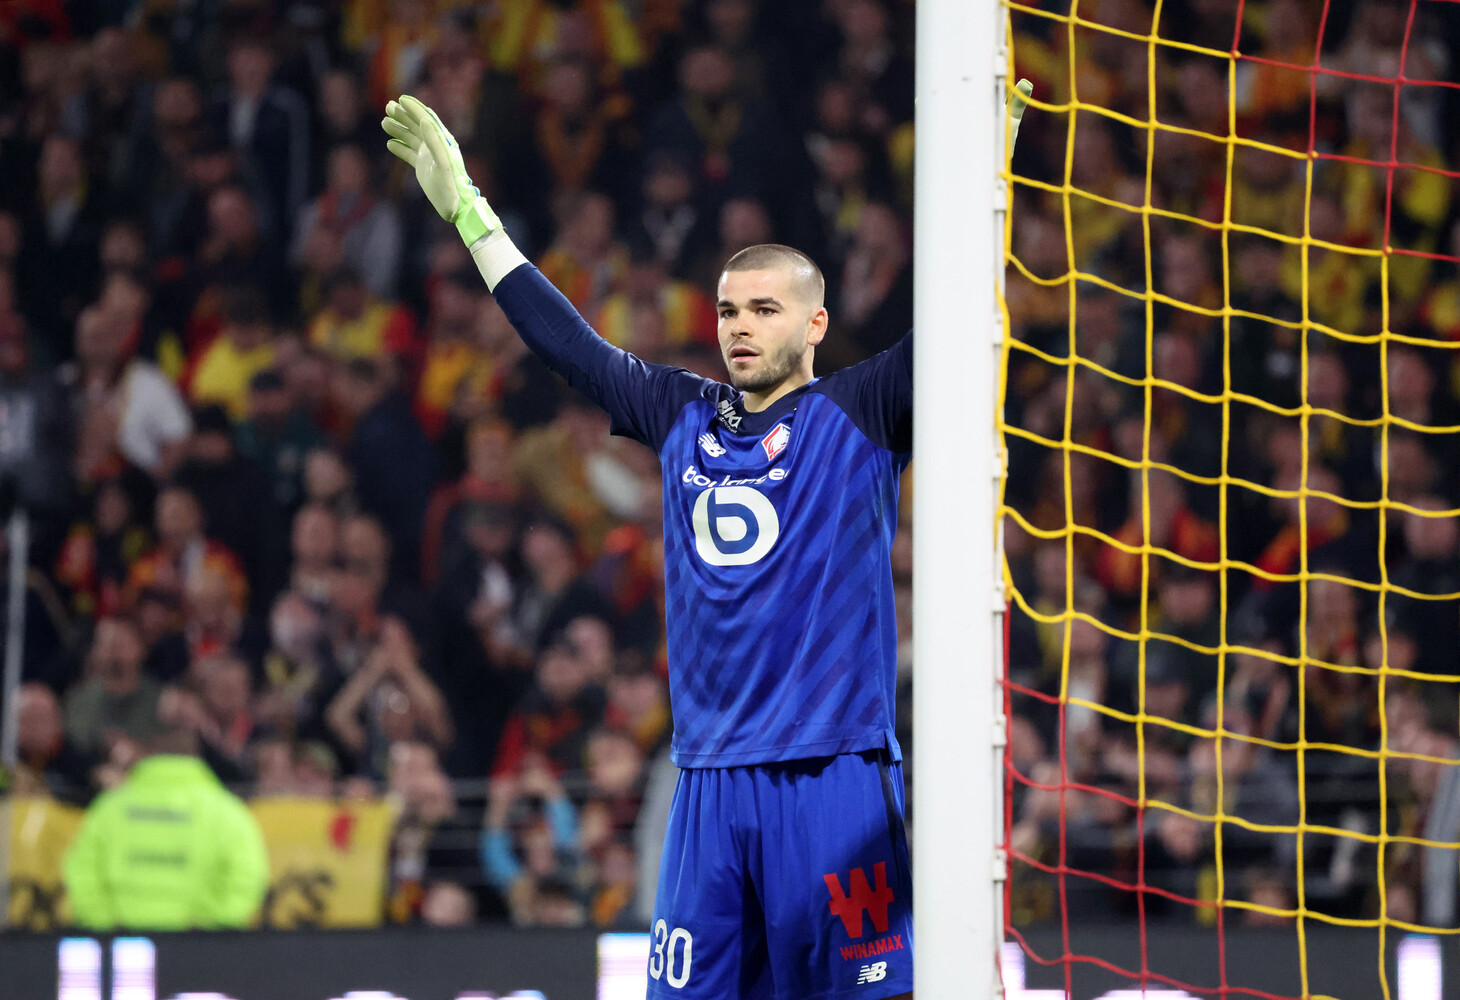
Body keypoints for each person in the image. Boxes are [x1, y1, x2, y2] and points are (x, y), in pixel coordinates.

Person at [383, 85, 1028, 999]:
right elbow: (567, 344)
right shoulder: (679, 411)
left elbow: (962, 322)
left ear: (814, 324)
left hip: (832, 775)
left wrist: (990, 180)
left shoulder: (864, 409)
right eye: (728, 311)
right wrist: (471, 216)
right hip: (710, 786)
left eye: (764, 309)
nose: (740, 328)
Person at [61, 727, 270, 931]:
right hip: (203, 949)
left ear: (145, 749)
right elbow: (246, 878)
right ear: (197, 753)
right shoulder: (227, 812)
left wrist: (107, 927)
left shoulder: (108, 809)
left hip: (122, 947)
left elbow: (81, 873)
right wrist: (207, 932)